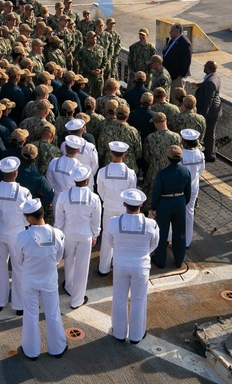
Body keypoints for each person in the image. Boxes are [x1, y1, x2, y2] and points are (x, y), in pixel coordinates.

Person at [15, 197, 67, 360]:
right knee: (52, 313)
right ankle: (57, 348)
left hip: (29, 281)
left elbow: (18, 260)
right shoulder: (58, 234)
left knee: (30, 315)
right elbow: (59, 257)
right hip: (49, 280)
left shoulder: (22, 236)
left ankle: (31, 351)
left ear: (30, 217)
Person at [106, 188, 160, 344]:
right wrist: (143, 254)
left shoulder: (114, 222)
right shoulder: (151, 224)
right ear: (141, 205)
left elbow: (111, 242)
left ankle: (119, 333)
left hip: (120, 264)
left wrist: (121, 252)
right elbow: (154, 244)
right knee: (138, 300)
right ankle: (136, 336)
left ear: (124, 204)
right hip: (141, 266)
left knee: (119, 298)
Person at [54, 164, 101, 308]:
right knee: (82, 267)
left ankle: (69, 286)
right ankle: (77, 299)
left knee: (68, 261)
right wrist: (95, 235)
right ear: (87, 181)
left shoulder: (63, 196)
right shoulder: (94, 198)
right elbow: (96, 221)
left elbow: (59, 220)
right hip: (85, 236)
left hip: (68, 234)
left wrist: (59, 236)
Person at [0, 156, 33, 314]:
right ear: (16, 172)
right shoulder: (23, 192)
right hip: (18, 233)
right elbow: (28, 215)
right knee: (19, 268)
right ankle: (19, 305)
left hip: (0, 230)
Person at [95, 141, 138, 276]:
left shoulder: (102, 172)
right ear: (124, 155)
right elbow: (132, 193)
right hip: (123, 209)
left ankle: (104, 268)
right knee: (122, 238)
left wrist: (107, 200)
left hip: (108, 207)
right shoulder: (130, 173)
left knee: (107, 237)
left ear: (110, 153)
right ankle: (120, 266)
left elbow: (100, 191)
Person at [149, 145, 191, 269]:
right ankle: (179, 260)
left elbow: (156, 191)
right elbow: (188, 192)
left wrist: (153, 206)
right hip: (179, 202)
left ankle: (160, 259)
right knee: (179, 233)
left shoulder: (162, 174)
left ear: (168, 157)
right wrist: (182, 203)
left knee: (162, 232)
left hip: (164, 203)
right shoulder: (185, 172)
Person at [179, 129, 206, 248]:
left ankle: (170, 237)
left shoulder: (181, 154)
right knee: (189, 213)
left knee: (175, 213)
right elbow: (201, 170)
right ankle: (187, 241)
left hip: (180, 188)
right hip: (194, 187)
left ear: (184, 142)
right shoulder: (200, 154)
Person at [194, 60, 221, 162]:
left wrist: (202, 115)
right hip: (214, 110)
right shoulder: (214, 77)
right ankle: (209, 151)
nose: (203, 67)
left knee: (209, 133)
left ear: (208, 69)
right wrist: (198, 85)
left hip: (211, 113)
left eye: (205, 66)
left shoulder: (210, 82)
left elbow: (208, 101)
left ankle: (210, 155)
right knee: (209, 133)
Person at [161, 22, 192, 91]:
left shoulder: (185, 43)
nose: (170, 32)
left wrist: (180, 75)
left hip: (177, 77)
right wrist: (164, 50)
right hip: (169, 74)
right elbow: (168, 54)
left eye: (171, 31)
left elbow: (186, 61)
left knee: (176, 97)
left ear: (177, 32)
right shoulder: (172, 40)